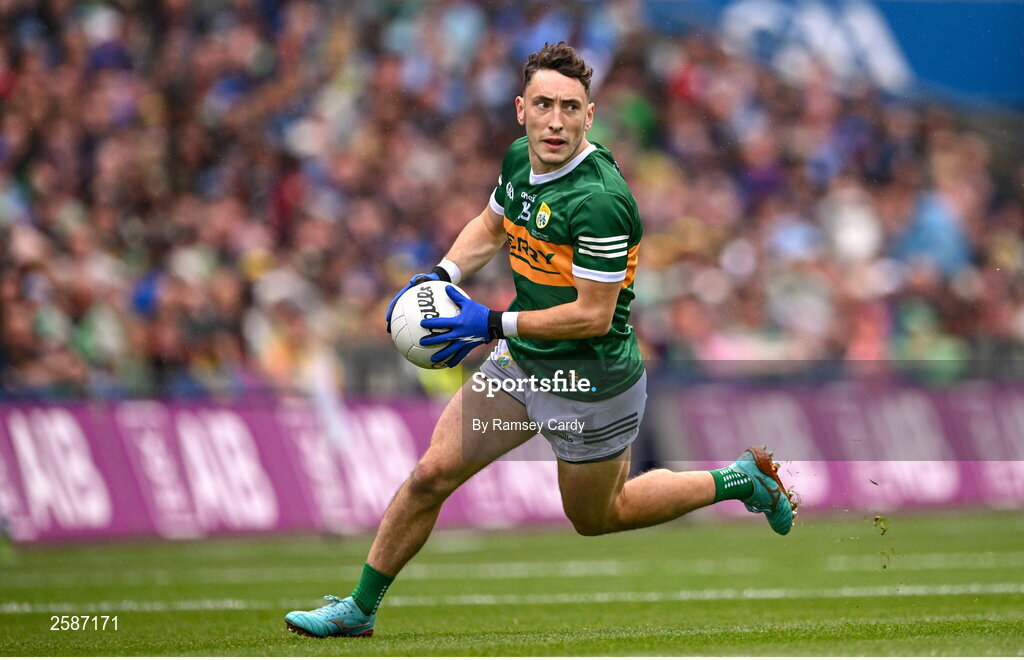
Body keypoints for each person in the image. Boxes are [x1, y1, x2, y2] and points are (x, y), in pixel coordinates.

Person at [284, 42, 795, 639]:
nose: (556, 121)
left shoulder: (601, 202)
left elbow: (593, 317)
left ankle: (737, 480)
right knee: (431, 475)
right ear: (521, 109)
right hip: (524, 364)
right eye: (545, 105)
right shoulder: (520, 159)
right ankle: (359, 607)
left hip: (590, 380)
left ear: (590, 115)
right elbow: (490, 225)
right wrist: (442, 275)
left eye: (571, 108)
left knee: (600, 516)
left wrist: (489, 323)